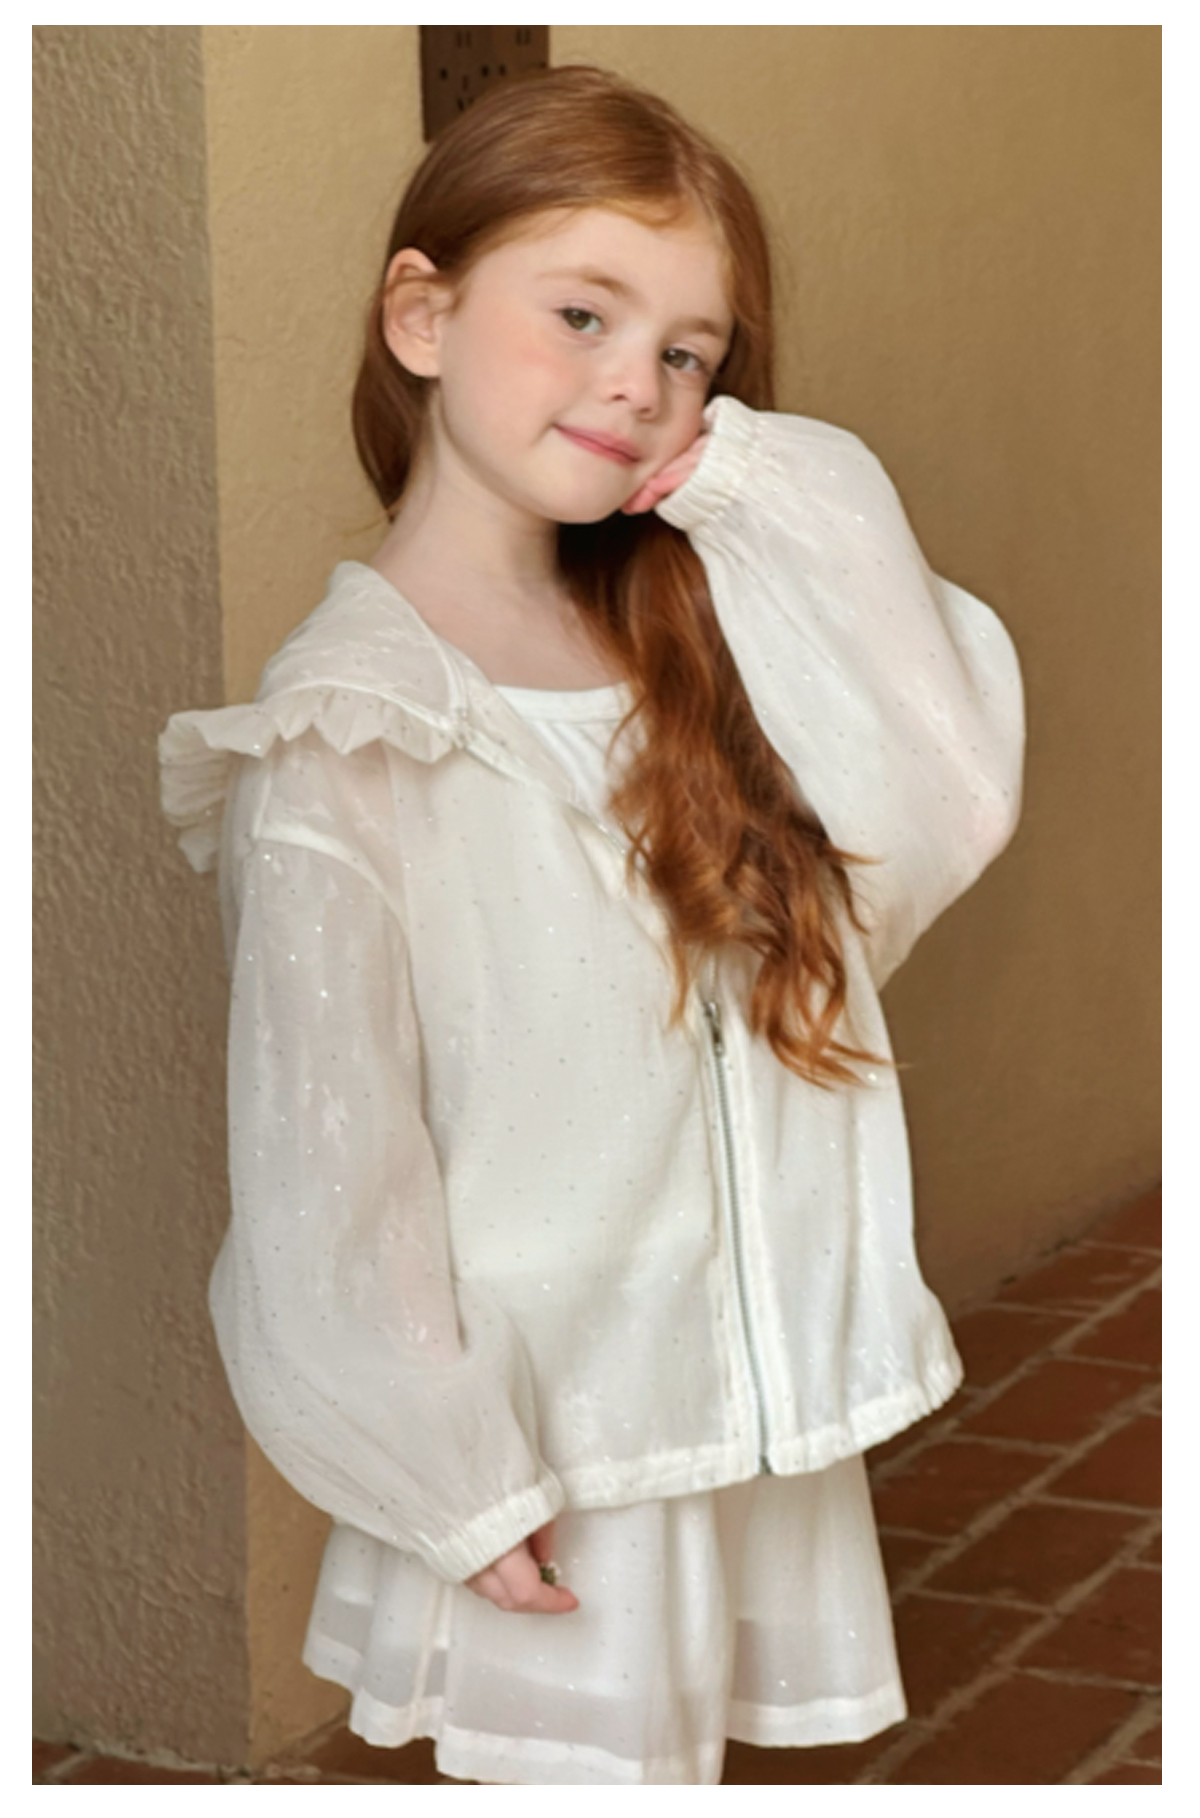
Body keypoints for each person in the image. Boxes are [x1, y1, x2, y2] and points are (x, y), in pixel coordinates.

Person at [159, 64, 1024, 1787]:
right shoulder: (351, 733)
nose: (639, 381)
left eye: (692, 352)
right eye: (582, 313)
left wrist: (747, 483)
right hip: (552, 1438)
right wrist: (444, 1462)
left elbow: (947, 790)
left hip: (732, 1399)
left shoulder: (690, 651)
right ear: (422, 314)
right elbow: (333, 1157)